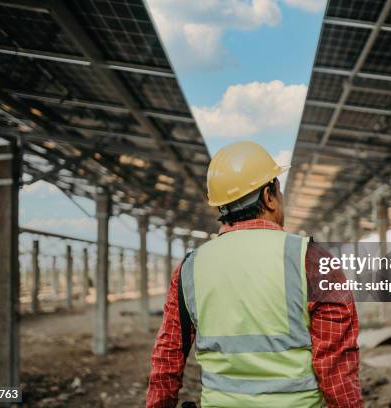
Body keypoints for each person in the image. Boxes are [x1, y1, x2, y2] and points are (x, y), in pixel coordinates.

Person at [146, 141, 362, 407]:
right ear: (269, 196)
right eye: (278, 191)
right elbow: (336, 367)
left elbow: (167, 359)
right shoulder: (311, 260)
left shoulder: (190, 268)